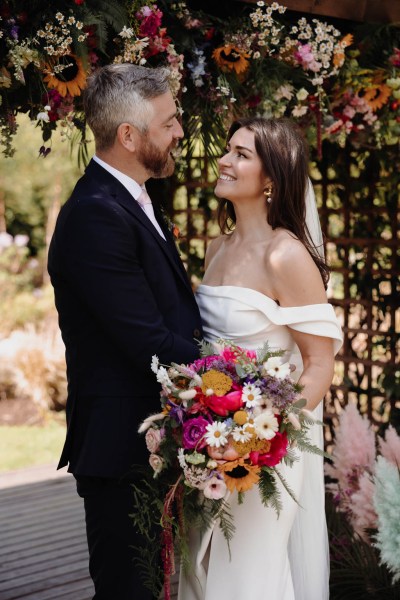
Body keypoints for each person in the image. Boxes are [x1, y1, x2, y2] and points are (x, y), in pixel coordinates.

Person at [47, 63, 203, 600]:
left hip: (152, 442)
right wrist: (241, 378)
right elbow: (149, 342)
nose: (180, 130)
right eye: (169, 122)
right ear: (129, 136)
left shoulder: (133, 198)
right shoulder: (95, 214)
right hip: (122, 449)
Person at [178, 117, 343, 600]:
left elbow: (319, 365)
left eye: (241, 154)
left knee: (248, 577)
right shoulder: (216, 247)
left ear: (270, 178)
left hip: (263, 451)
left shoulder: (285, 256)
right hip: (208, 443)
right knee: (202, 571)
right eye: (227, 150)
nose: (224, 161)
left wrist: (255, 436)